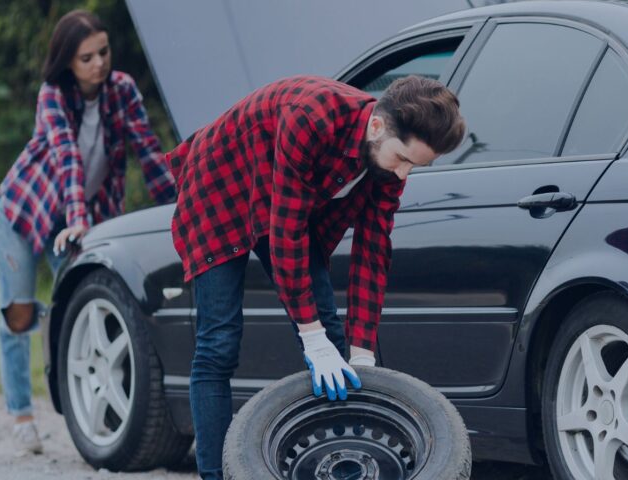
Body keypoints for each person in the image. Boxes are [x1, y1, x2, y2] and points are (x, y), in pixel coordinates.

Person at [167, 74, 464, 479]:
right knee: (218, 343)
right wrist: (311, 338)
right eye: (403, 159)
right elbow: (287, 235)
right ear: (377, 127)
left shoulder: (388, 167)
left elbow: (373, 254)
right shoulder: (310, 118)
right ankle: (215, 476)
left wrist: (362, 353)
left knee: (337, 349)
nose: (403, 176)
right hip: (221, 185)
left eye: (416, 166)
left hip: (280, 204)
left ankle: (343, 466)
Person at [0, 9, 176, 456]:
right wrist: (78, 219)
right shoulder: (52, 94)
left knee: (81, 303)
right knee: (15, 316)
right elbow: (67, 156)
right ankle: (21, 415)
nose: (98, 63)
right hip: (24, 210)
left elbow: (148, 151)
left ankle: (70, 363)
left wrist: (178, 203)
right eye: (86, 57)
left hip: (79, 218)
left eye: (103, 52)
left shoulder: (123, 90)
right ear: (68, 62)